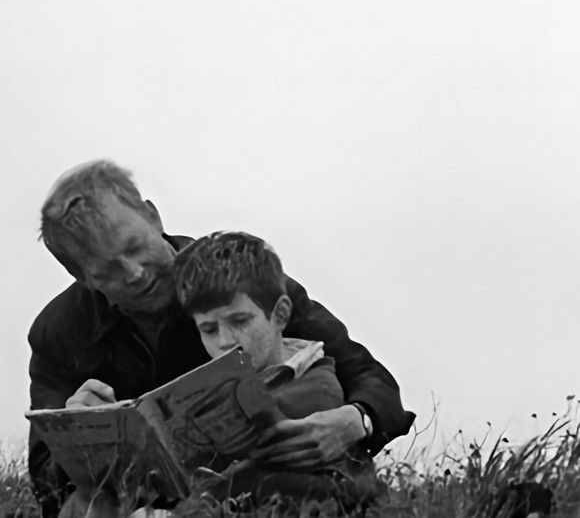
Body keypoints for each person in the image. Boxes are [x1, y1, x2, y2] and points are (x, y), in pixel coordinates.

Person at [28, 160, 414, 516]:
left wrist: (355, 421)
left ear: (152, 215)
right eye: (108, 270)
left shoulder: (240, 281)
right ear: (82, 277)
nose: (134, 273)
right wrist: (74, 433)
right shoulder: (57, 334)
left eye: (135, 246)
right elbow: (46, 480)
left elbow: (368, 376)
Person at [172, 230, 383, 508]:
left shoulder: (315, 385)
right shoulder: (217, 385)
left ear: (280, 314)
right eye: (209, 329)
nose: (224, 341)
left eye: (240, 321)